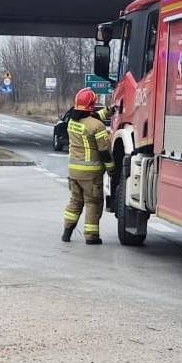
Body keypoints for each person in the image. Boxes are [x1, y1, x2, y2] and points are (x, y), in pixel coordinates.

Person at [63, 87, 112, 245]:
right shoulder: (97, 126)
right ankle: (91, 237)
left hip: (74, 171)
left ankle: (67, 232)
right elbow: (104, 151)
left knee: (75, 201)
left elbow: (91, 118)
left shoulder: (72, 121)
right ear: (92, 105)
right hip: (91, 173)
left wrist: (109, 111)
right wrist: (111, 168)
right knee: (93, 202)